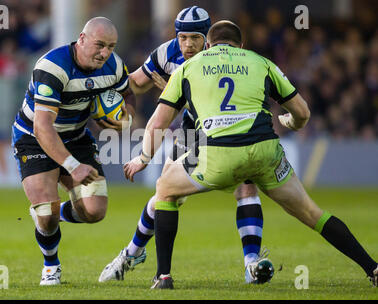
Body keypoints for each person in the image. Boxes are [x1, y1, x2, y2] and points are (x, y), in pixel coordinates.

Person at [123, 20, 378, 289]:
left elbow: (158, 123)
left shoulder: (187, 67)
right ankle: (371, 267)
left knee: (164, 188)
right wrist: (292, 123)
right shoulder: (261, 62)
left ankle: (163, 277)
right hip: (266, 152)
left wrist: (142, 159)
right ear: (241, 45)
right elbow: (302, 112)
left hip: (218, 154)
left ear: (207, 46)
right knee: (312, 213)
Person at [99, 6, 273, 285]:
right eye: (182, 37)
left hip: (228, 132)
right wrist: (103, 75)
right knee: (166, 194)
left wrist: (172, 88)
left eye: (195, 37)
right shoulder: (165, 53)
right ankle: (132, 252)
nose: (188, 44)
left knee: (246, 186)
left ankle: (251, 264)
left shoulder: (221, 58)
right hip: (191, 134)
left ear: (208, 37)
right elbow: (135, 83)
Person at [11, 17, 135, 286]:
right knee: (45, 212)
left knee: (94, 211)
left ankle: (56, 213)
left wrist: (124, 119)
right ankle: (51, 266)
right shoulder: (52, 67)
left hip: (76, 136)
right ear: (81, 39)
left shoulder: (114, 66)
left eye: (111, 46)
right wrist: (72, 165)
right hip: (34, 137)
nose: (105, 53)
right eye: (99, 45)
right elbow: (43, 127)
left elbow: (127, 96)